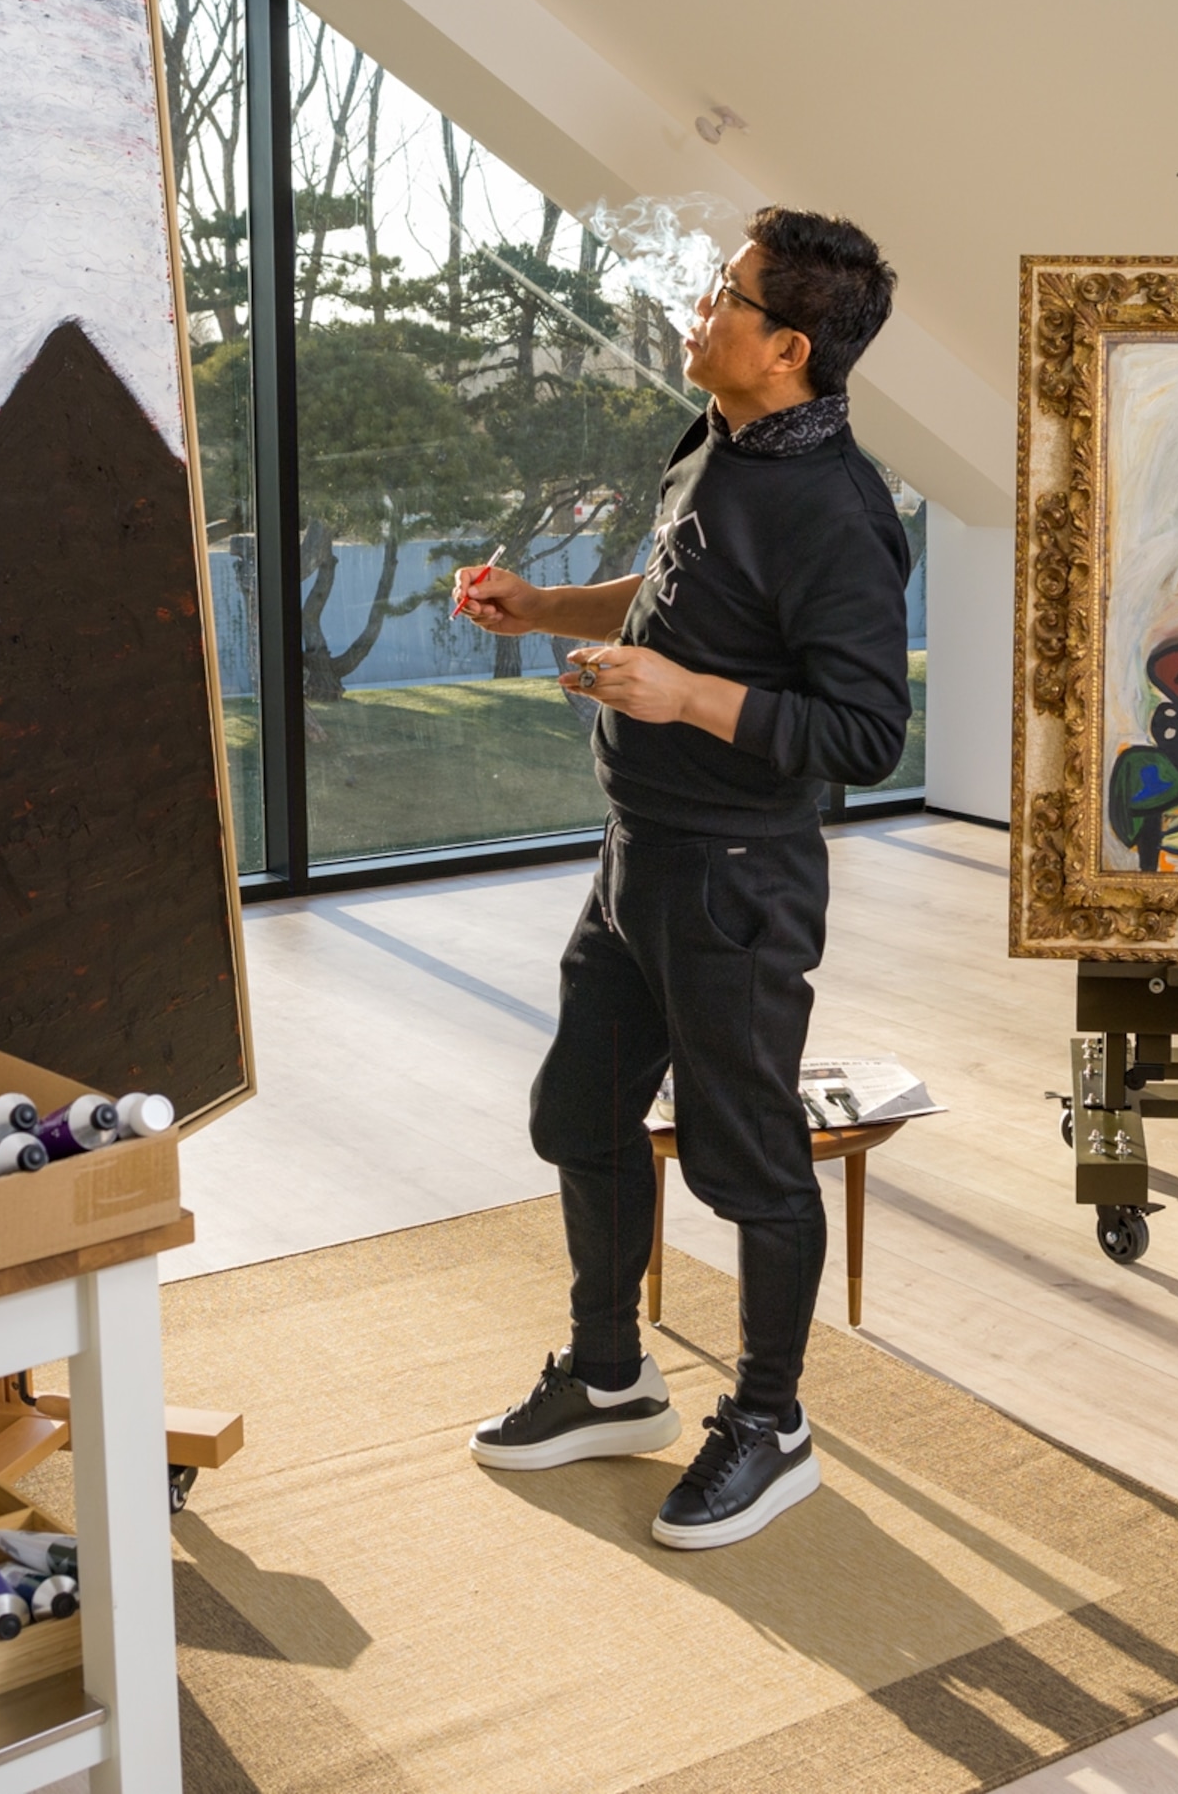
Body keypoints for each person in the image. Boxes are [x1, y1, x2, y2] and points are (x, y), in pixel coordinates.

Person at [454, 206, 912, 1549]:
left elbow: (868, 737)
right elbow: (670, 590)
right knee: (577, 1111)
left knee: (748, 1162)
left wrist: (688, 697)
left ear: (787, 346)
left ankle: (772, 1424)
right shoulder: (717, 438)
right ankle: (611, 1376)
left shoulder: (841, 512)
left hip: (737, 883)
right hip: (634, 857)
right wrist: (543, 609)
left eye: (725, 295)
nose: (695, 309)